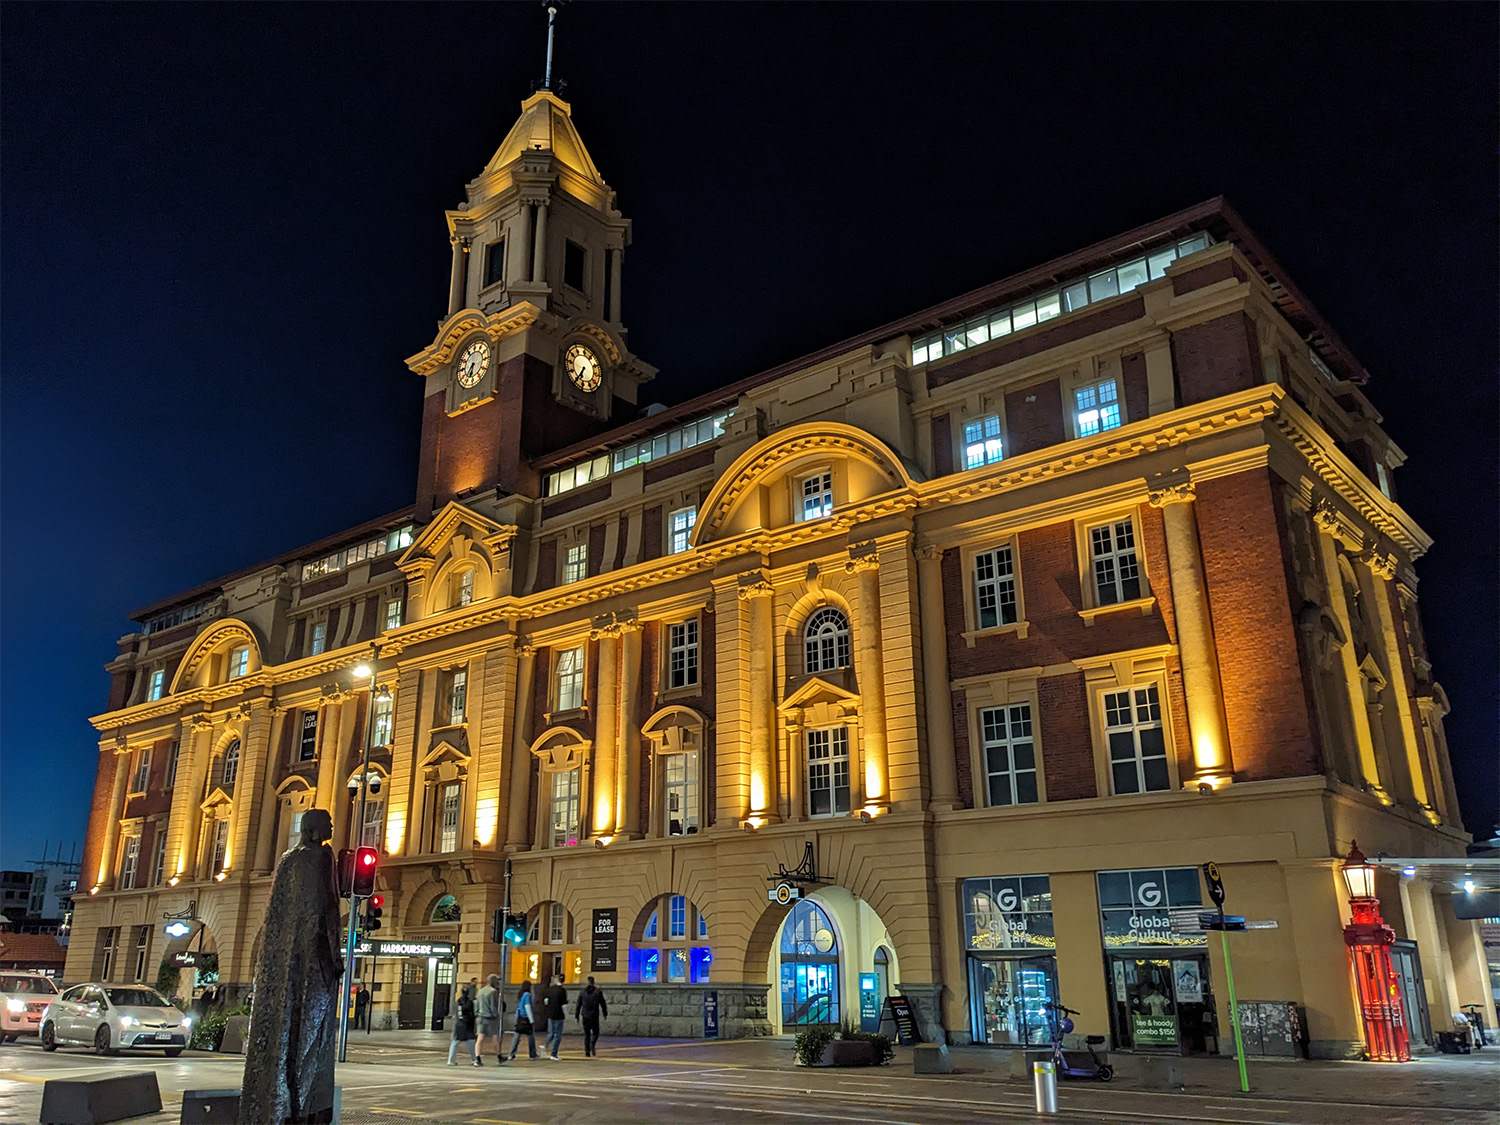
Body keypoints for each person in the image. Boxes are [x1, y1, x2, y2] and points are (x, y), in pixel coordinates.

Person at [574, 976, 608, 1057]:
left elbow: (578, 1005)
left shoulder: (582, 992)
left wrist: (577, 1015)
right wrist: (605, 1013)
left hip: (585, 1015)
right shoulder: (598, 992)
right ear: (594, 982)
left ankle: (587, 1051)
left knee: (587, 1034)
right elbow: (603, 1004)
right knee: (596, 1032)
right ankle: (592, 1043)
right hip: (594, 1016)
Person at [448, 982, 479, 1066]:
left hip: (459, 1023)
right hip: (467, 1024)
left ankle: (451, 1060)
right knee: (471, 1042)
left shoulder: (458, 1001)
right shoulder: (469, 1002)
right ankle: (474, 1059)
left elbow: (456, 1013)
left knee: (455, 1042)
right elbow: (471, 1014)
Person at [477, 974, 504, 1062]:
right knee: (495, 1037)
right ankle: (499, 1056)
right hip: (490, 1018)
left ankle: (477, 1058)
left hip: (481, 1016)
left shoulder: (480, 991)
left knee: (480, 1038)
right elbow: (493, 1006)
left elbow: (477, 1006)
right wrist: (496, 1015)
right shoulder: (493, 992)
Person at [507, 985, 537, 1060]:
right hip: (526, 1018)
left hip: (520, 1018)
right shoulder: (527, 995)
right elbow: (527, 1006)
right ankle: (532, 1054)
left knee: (516, 1037)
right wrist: (531, 1019)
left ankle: (511, 1053)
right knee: (531, 1037)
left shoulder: (521, 995)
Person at [542, 973, 568, 1059]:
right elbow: (564, 1004)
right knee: (558, 1035)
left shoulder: (550, 989)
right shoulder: (562, 990)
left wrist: (548, 1009)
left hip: (551, 1014)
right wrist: (566, 1014)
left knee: (551, 1033)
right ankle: (554, 1054)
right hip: (559, 1015)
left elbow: (546, 1001)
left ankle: (545, 1046)